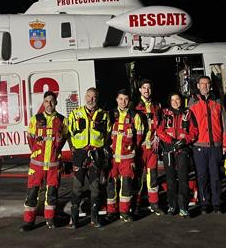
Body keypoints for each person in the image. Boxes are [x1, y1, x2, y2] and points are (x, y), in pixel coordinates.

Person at [21, 91, 68, 231]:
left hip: (53, 165)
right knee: (32, 194)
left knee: (52, 194)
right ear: (43, 102)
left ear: (56, 103)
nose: (49, 104)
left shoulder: (62, 120)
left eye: (52, 101)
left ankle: (50, 219)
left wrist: (55, 154)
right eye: (47, 101)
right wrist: (38, 153)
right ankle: (29, 222)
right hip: (37, 166)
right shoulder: (35, 119)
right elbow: (31, 140)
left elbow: (64, 139)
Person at [67, 87, 112, 228]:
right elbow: (68, 133)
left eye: (94, 97)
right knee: (77, 186)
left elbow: (108, 135)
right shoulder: (75, 114)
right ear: (85, 97)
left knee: (95, 187)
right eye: (89, 96)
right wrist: (73, 149)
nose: (91, 100)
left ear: (97, 98)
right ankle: (73, 220)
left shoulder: (104, 115)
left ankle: (94, 218)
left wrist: (101, 150)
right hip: (80, 154)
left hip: (96, 154)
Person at [188, 75, 226, 214]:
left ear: (210, 85)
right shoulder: (192, 101)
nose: (204, 86)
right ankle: (205, 203)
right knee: (202, 176)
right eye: (202, 83)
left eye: (207, 83)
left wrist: (225, 145)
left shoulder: (217, 101)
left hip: (216, 146)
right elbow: (188, 123)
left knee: (215, 176)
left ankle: (217, 203)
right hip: (199, 146)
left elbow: (225, 124)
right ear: (198, 85)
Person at [157, 92, 198, 217]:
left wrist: (185, 141)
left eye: (177, 99)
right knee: (170, 179)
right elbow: (159, 130)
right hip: (168, 149)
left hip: (183, 149)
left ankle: (183, 207)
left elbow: (194, 131)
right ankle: (172, 206)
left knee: (183, 179)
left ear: (181, 100)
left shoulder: (188, 113)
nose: (175, 102)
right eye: (173, 100)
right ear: (169, 101)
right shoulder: (164, 113)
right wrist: (171, 141)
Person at [106, 89, 144, 222]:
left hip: (127, 159)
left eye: (126, 99)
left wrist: (132, 152)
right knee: (111, 186)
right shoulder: (110, 114)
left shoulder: (135, 116)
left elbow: (139, 138)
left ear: (130, 101)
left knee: (126, 187)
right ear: (116, 99)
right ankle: (111, 212)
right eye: (121, 99)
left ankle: (125, 212)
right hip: (112, 158)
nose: (123, 102)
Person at [134, 79, 164, 215]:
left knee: (152, 177)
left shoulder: (157, 105)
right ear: (140, 90)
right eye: (144, 88)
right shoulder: (134, 105)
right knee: (138, 178)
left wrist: (158, 137)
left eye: (149, 88)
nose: (147, 90)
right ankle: (135, 205)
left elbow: (161, 125)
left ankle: (154, 203)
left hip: (152, 147)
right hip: (140, 148)